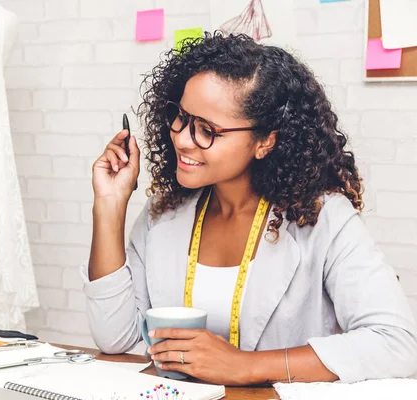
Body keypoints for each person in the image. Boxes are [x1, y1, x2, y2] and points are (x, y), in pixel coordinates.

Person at [82, 32, 417, 385]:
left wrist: (245, 366)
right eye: (179, 116)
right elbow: (113, 337)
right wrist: (109, 204)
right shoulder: (164, 212)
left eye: (207, 130)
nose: (181, 138)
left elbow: (396, 344)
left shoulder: (324, 218)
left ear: (265, 141)